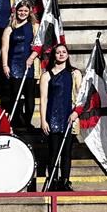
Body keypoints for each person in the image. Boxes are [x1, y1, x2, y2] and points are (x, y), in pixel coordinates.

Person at [38, 45, 81, 191]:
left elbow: (81, 97)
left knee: (67, 152)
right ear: (54, 55)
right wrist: (43, 120)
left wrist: (76, 113)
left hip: (68, 116)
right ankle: (53, 181)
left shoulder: (74, 73)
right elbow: (44, 99)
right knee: (53, 151)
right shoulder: (46, 75)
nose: (61, 54)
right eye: (58, 52)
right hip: (53, 116)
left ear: (68, 55)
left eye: (64, 52)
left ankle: (65, 181)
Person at [0, 1, 38, 129]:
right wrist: (5, 65)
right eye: (20, 10)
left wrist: (32, 57)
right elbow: (5, 48)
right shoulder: (10, 28)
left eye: (25, 11)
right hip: (14, 64)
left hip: (29, 64)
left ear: (29, 12)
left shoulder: (34, 26)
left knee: (30, 98)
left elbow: (39, 45)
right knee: (15, 95)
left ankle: (27, 122)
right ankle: (16, 121)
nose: (23, 13)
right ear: (16, 11)